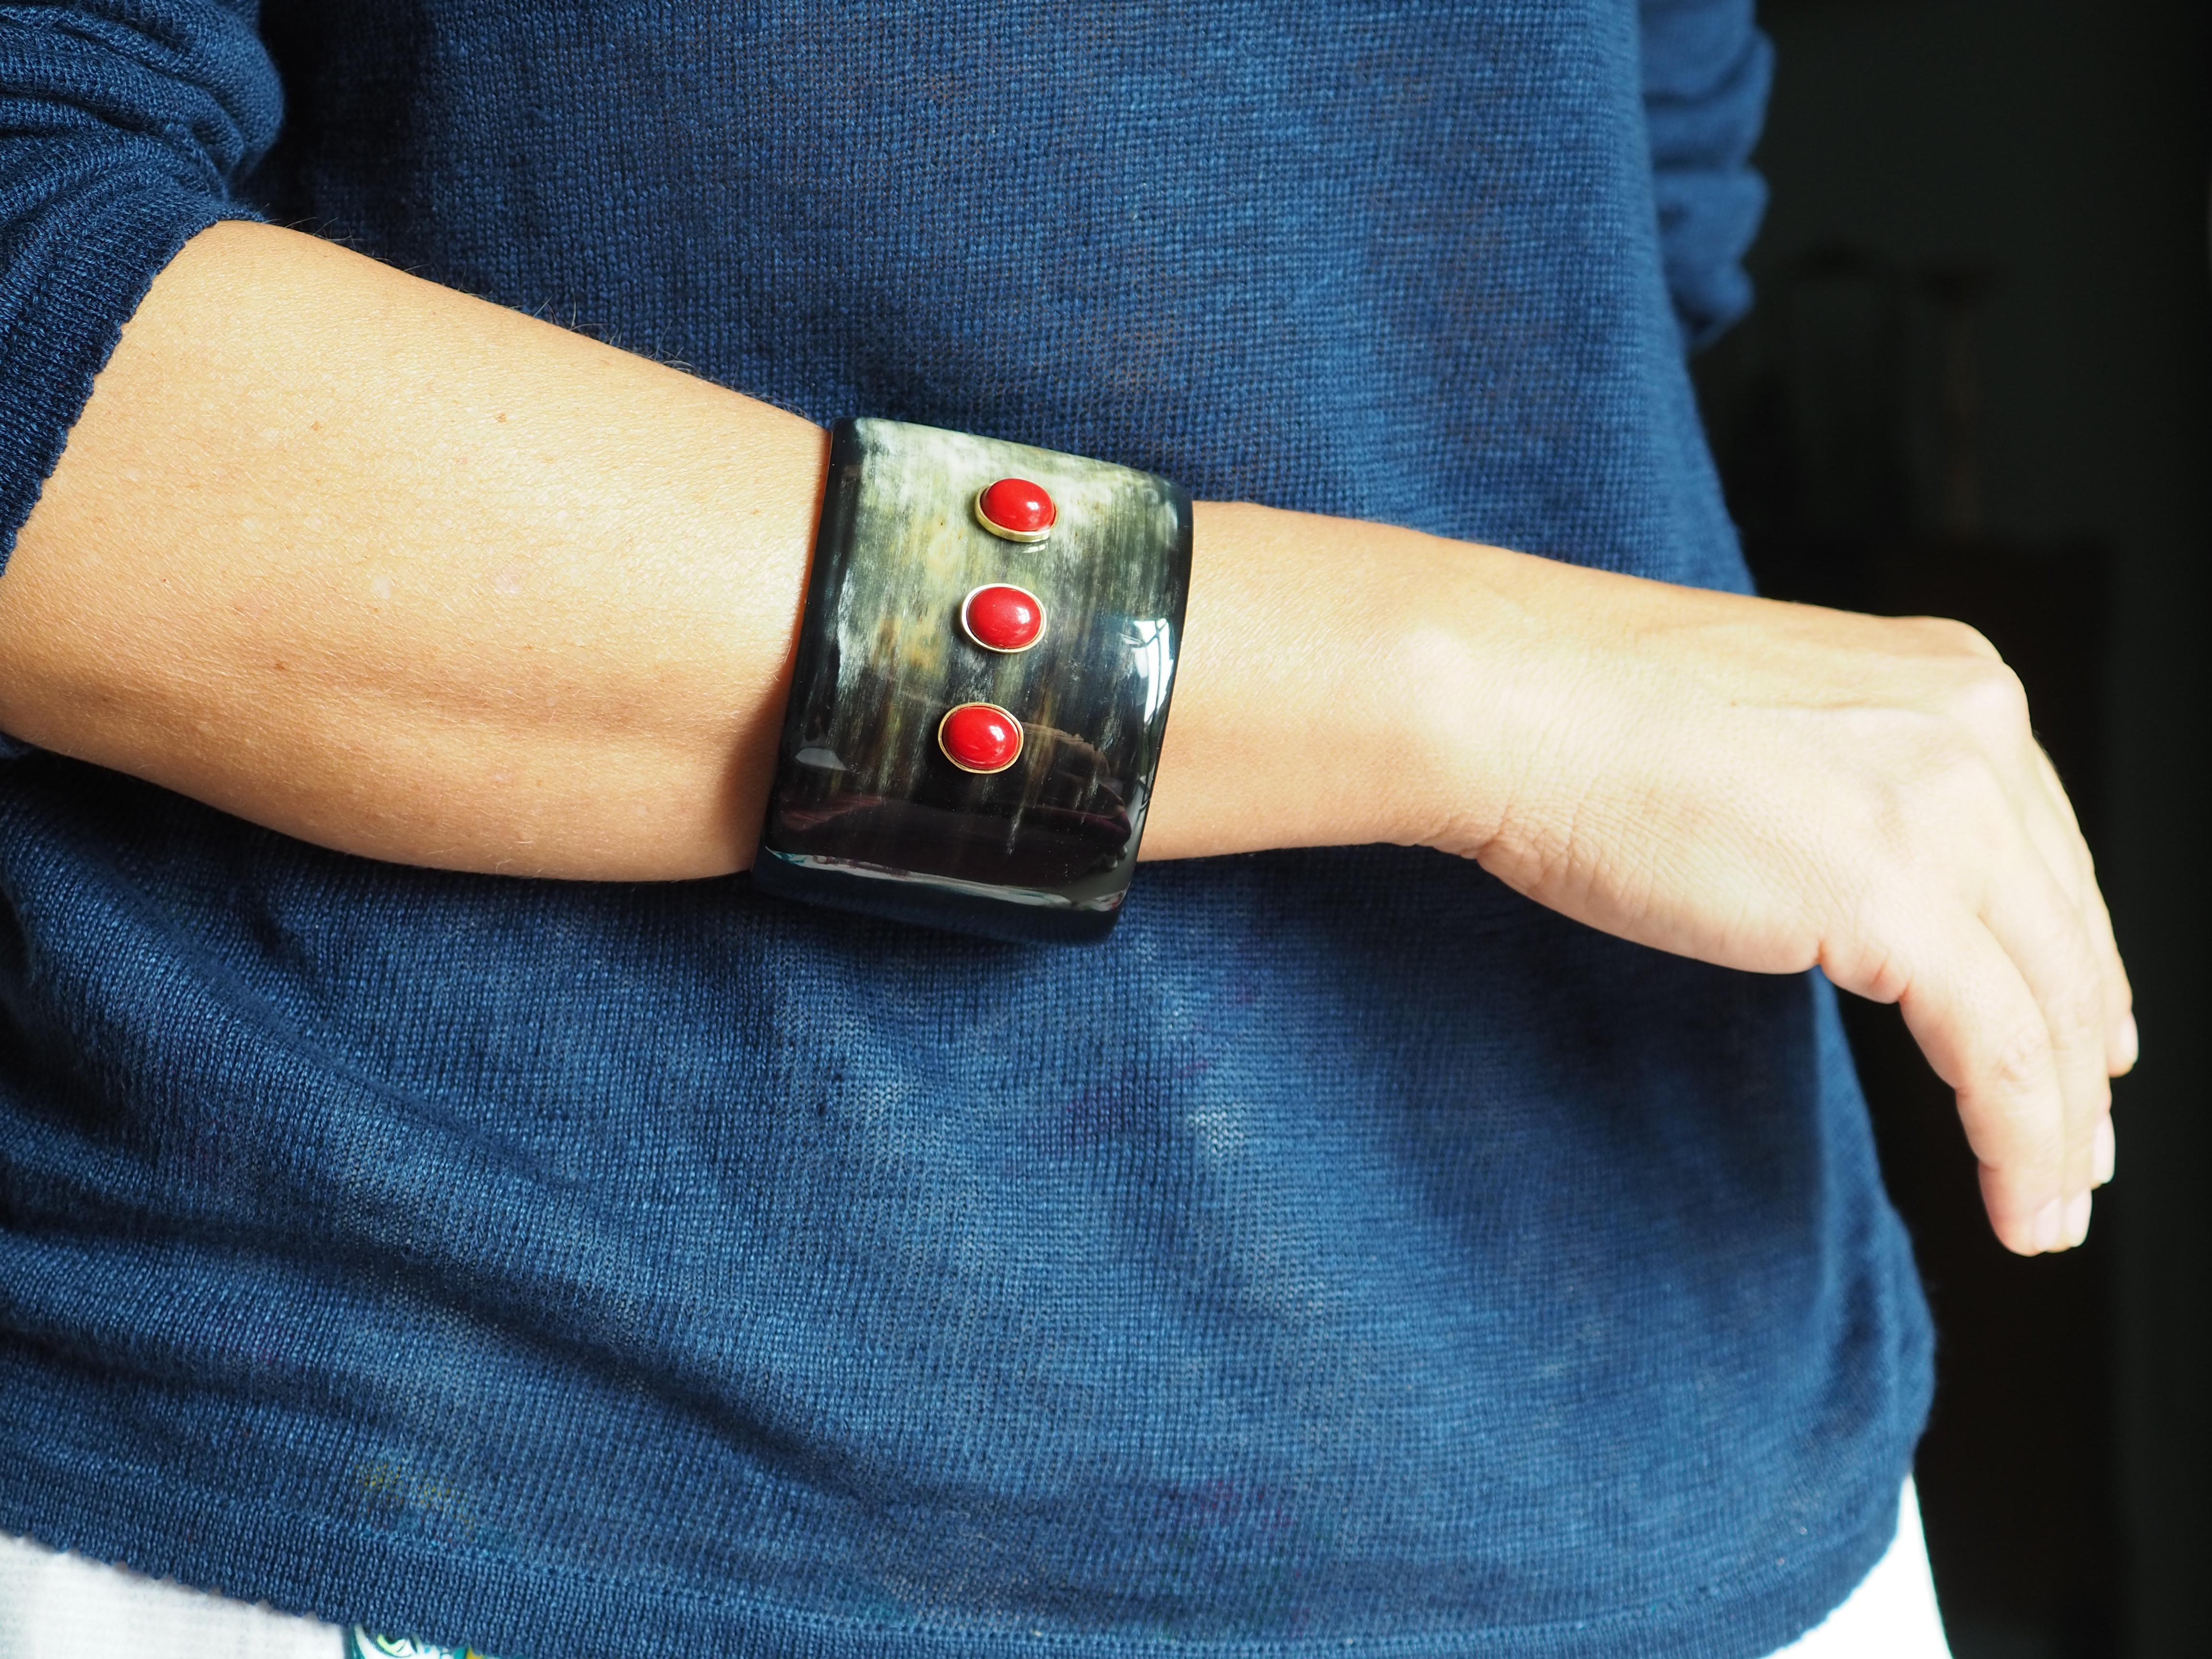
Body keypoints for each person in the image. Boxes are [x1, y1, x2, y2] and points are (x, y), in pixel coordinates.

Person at [0, 2, 2130, 1657]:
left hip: (1711, 1490)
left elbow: (1585, 239)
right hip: (540, 1487)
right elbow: (40, 308)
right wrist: (1460, 684)